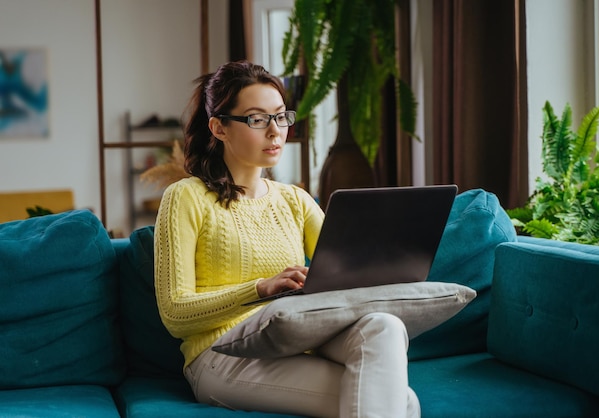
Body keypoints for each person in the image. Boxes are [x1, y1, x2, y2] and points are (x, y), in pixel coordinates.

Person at [154, 60, 420, 418]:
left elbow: (345, 270)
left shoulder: (295, 200)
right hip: (222, 356)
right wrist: (259, 289)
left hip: (296, 339)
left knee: (385, 325)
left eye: (281, 117)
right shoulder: (185, 197)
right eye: (257, 119)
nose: (275, 131)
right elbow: (175, 315)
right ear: (219, 128)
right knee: (402, 402)